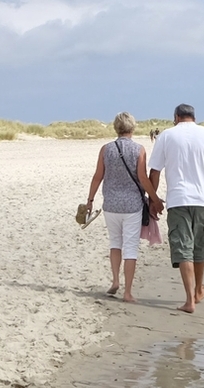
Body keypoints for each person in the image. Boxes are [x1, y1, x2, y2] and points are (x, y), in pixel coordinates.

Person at [147, 104, 204, 314]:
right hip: (203, 200)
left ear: (176, 117)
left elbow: (155, 171)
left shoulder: (166, 136)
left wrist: (154, 200)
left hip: (178, 200)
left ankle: (189, 300)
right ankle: (197, 290)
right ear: (193, 117)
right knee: (199, 247)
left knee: (183, 248)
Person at [84, 112, 153, 303]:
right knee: (130, 247)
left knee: (115, 243)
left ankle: (115, 280)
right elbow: (142, 178)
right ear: (133, 127)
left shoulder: (106, 149)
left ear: (116, 127)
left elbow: (98, 176)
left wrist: (90, 200)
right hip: (131, 205)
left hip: (111, 205)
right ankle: (128, 292)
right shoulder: (139, 150)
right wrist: (154, 198)